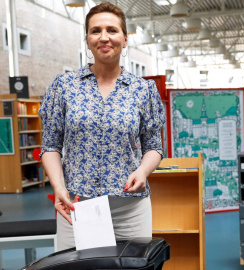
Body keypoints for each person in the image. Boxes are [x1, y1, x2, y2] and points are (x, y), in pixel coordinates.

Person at [39, 1, 166, 251]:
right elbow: (50, 146)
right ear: (87, 39)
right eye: (95, 31)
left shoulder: (143, 90)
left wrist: (142, 172)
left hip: (130, 209)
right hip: (76, 207)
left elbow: (154, 147)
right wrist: (58, 187)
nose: (104, 37)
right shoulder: (63, 86)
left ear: (125, 39)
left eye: (112, 30)